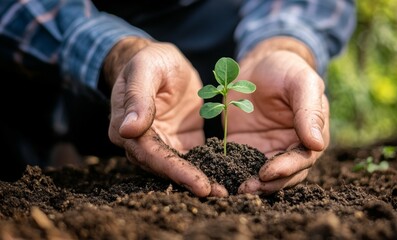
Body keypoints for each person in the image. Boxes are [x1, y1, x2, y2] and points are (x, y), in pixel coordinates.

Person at [0, 0, 356, 197]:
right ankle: (54, 144)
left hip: (211, 26)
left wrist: (283, 44)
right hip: (42, 57)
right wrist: (116, 52)